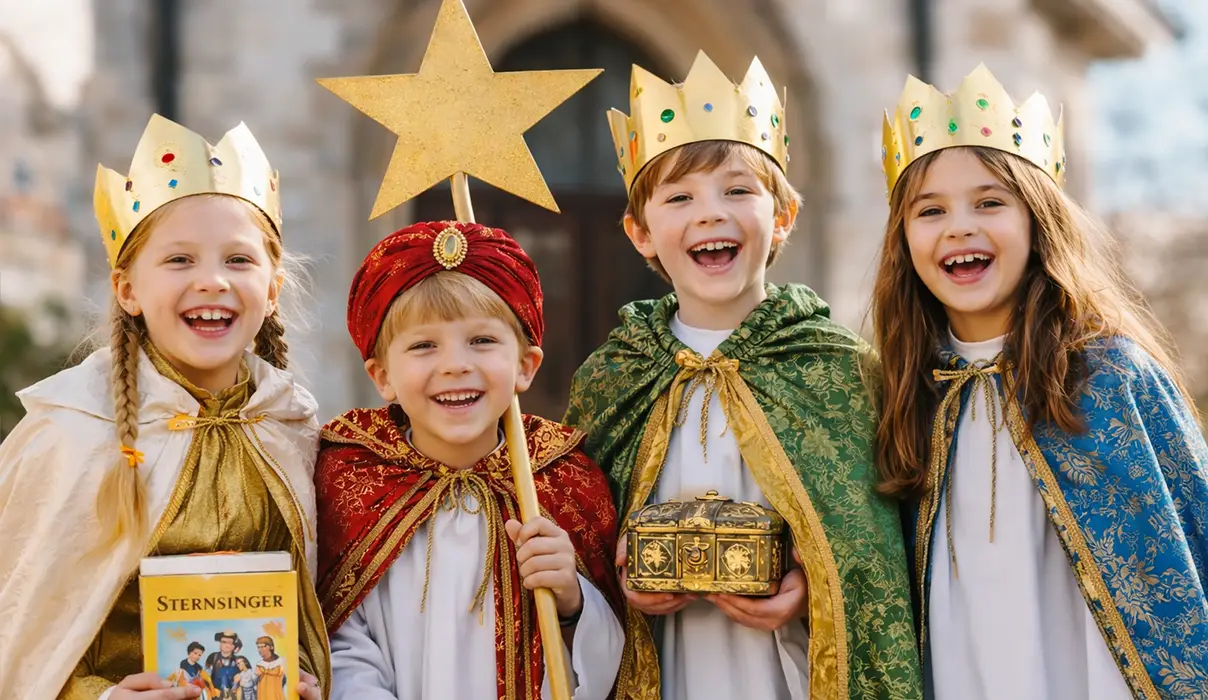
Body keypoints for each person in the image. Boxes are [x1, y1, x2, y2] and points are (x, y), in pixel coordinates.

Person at [564, 51, 922, 699]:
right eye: (679, 198)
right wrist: (617, 573)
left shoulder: (837, 369)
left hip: (785, 672)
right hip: (663, 670)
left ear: (782, 216)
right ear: (641, 233)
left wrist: (809, 584)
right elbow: (580, 537)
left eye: (737, 190)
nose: (709, 214)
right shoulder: (610, 380)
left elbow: (878, 554)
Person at [872, 63, 1208, 698]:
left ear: (1038, 222)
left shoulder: (1112, 376)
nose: (959, 226)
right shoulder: (907, 392)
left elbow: (1191, 545)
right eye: (930, 210)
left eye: (991, 202)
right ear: (904, 240)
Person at [0, 114, 329, 700]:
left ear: (273, 288)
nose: (213, 281)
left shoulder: (292, 426)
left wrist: (301, 680)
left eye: (239, 260)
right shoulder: (73, 429)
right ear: (128, 290)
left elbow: (316, 608)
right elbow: (22, 627)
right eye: (180, 261)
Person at [315, 221, 625, 699]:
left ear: (525, 365)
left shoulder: (564, 478)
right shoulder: (350, 477)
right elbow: (337, 636)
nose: (456, 364)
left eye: (481, 340)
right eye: (423, 345)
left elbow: (620, 660)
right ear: (383, 377)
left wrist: (572, 599)